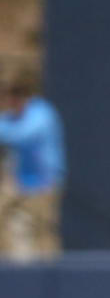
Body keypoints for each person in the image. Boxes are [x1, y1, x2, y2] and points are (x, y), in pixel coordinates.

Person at [0, 68, 66, 261]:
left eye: (9, 97)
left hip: (44, 186)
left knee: (43, 235)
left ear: (20, 96)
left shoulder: (42, 114)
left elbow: (21, 135)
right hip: (20, 185)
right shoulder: (11, 117)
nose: (6, 103)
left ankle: (52, 282)